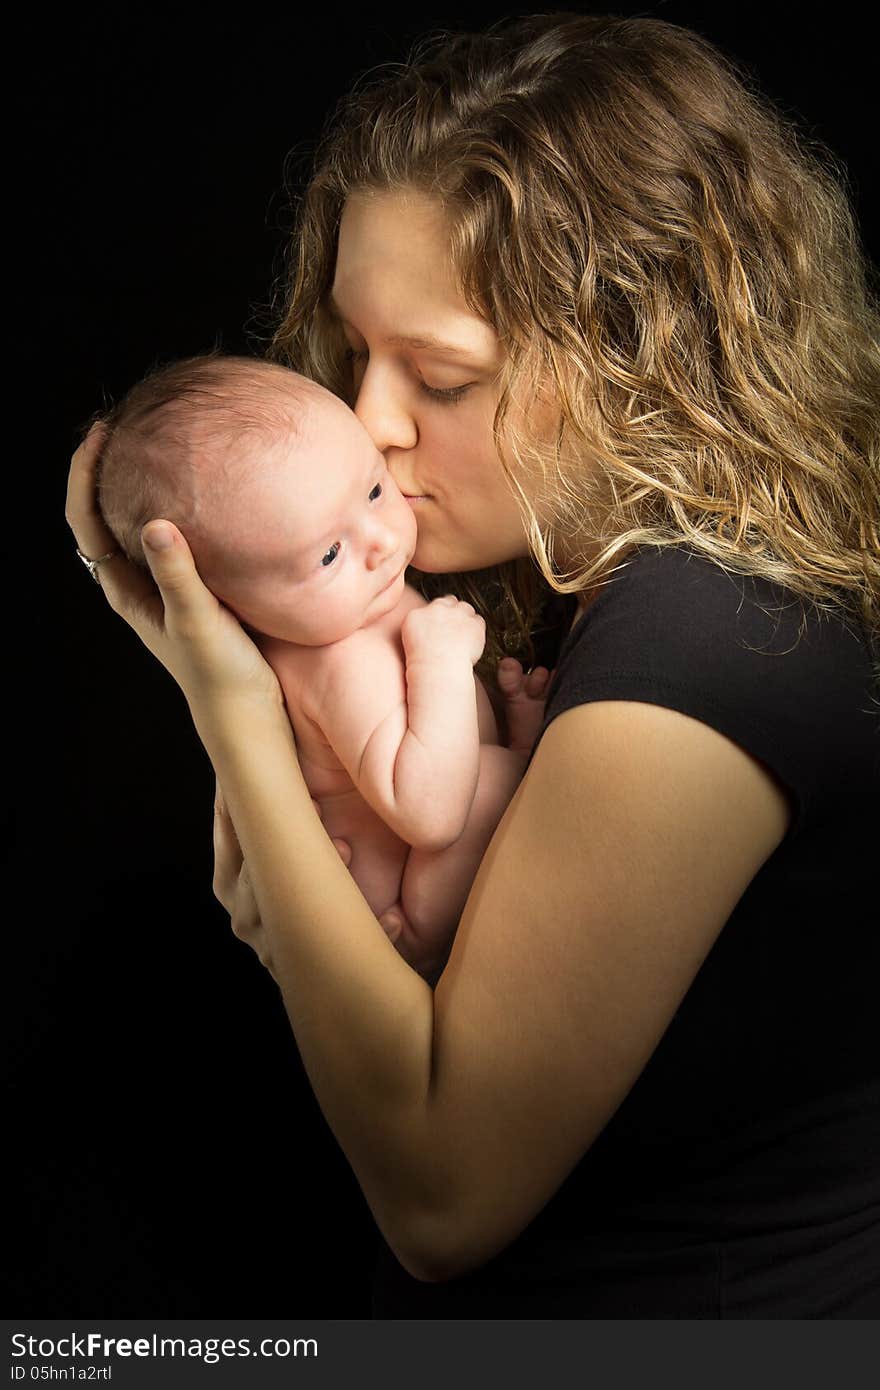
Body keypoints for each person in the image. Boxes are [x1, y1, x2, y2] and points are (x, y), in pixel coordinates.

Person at [67, 12, 879, 1317]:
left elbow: (442, 1196)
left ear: (631, 361)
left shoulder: (702, 644)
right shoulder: (558, 588)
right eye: (358, 350)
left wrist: (233, 708)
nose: (368, 422)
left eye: (436, 374)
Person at [93, 351, 550, 984]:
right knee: (496, 780)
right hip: (401, 908)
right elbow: (433, 812)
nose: (383, 539)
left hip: (423, 869)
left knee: (495, 769)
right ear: (228, 603)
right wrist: (440, 661)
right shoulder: (338, 661)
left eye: (371, 489)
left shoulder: (346, 609)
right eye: (330, 552)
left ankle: (522, 750)